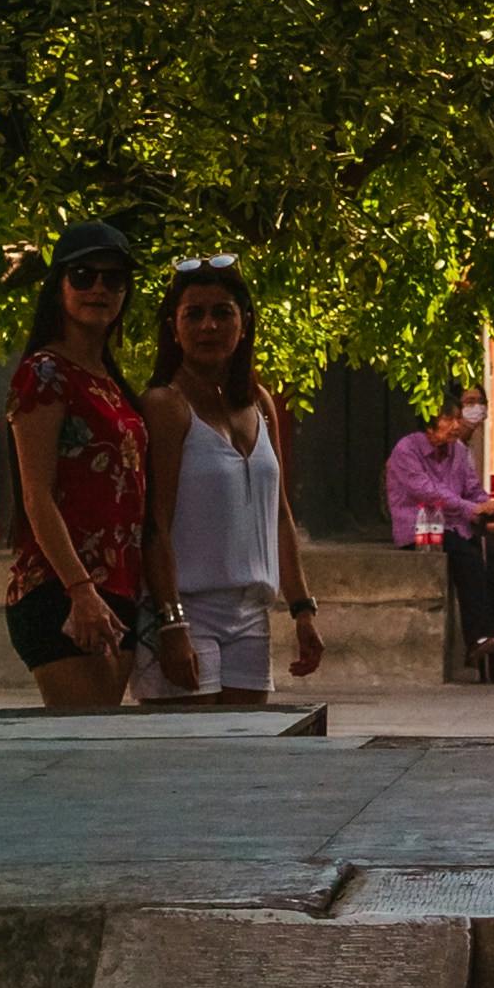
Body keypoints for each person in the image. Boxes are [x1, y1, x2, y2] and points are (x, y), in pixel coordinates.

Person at [142, 259, 324, 703]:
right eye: (194, 314)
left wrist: (301, 609)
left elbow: (279, 515)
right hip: (187, 611)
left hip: (250, 613)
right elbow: (154, 525)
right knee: (195, 757)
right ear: (174, 327)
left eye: (223, 312)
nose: (209, 325)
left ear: (244, 325)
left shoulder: (260, 402)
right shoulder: (165, 405)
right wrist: (171, 622)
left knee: (245, 758)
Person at [1, 224, 151, 707]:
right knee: (82, 751)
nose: (99, 289)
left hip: (119, 588)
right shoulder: (46, 372)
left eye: (114, 279)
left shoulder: (109, 378)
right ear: (58, 286)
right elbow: (35, 496)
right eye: (83, 275)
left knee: (100, 754)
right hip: (63, 589)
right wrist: (81, 592)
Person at [388, 389, 494, 680]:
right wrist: (472, 509)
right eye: (449, 419)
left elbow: (471, 488)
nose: (457, 425)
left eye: (458, 418)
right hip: (421, 528)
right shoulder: (407, 450)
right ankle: (479, 637)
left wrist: (490, 508)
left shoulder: (459, 450)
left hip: (457, 525)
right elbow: (427, 491)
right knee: (468, 559)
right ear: (429, 422)